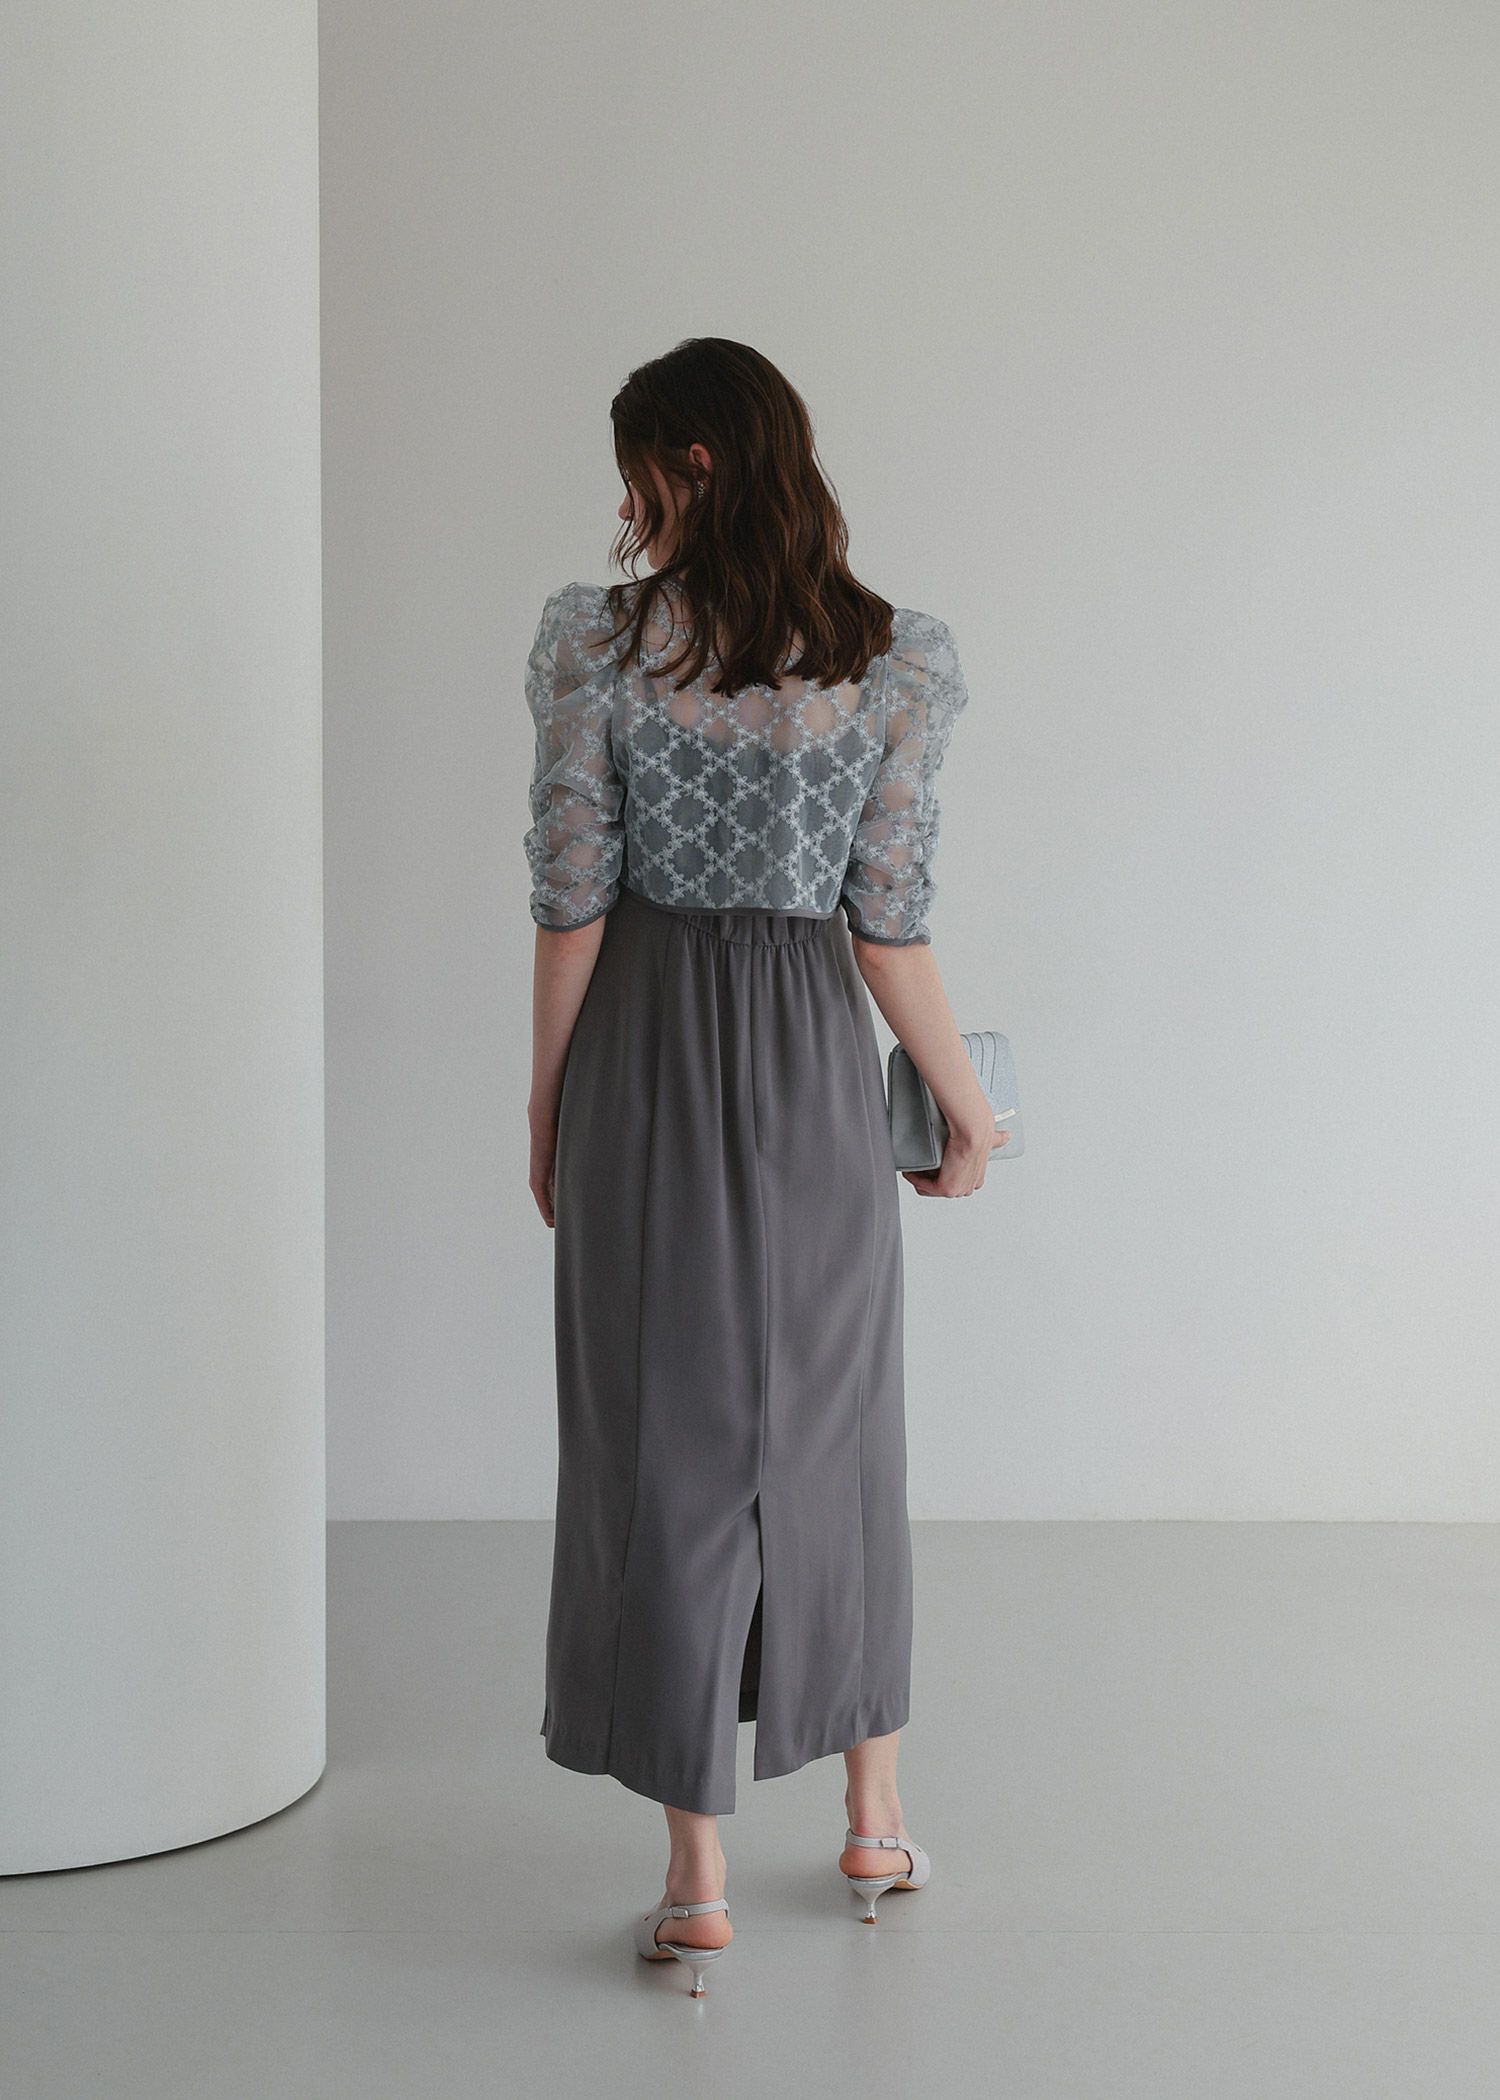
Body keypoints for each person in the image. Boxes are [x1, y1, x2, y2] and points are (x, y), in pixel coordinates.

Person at [523, 338, 1006, 1996]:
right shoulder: (896, 660)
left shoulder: (596, 644)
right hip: (808, 1055)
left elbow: (572, 896)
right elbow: (890, 923)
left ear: (696, 464)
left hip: (645, 1051)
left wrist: (548, 1104)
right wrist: (965, 1109)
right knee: (837, 1426)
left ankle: (697, 1880)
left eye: (640, 472)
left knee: (662, 1440)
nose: (630, 508)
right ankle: (874, 1822)